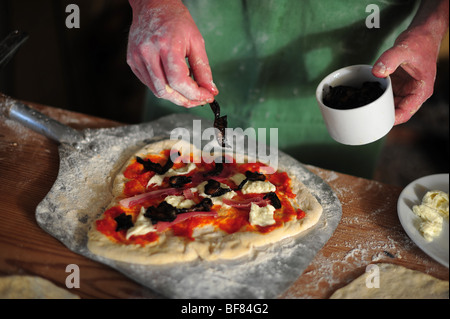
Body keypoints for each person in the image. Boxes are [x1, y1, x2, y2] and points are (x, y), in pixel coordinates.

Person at [126, 0, 449, 178]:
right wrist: (151, 4)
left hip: (358, 39)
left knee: (328, 199)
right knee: (166, 173)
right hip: (208, 29)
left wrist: (432, 25)